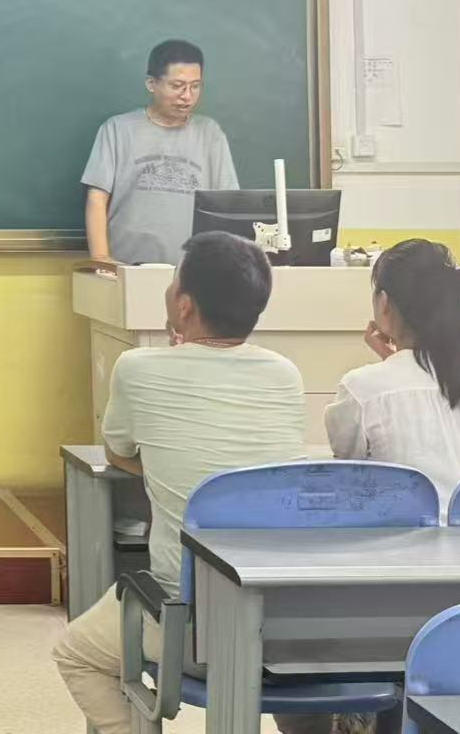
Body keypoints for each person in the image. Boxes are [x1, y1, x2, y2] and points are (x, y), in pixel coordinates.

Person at [54, 231, 305, 734]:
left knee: (76, 653)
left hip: (186, 623)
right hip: (283, 620)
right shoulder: (286, 375)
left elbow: (118, 452)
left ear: (184, 305)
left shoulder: (138, 367)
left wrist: (171, 465)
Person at [327, 239, 460, 509]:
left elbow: (349, 478)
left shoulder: (362, 389)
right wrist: (396, 360)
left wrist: (395, 362)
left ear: (384, 303)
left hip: (407, 536)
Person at [82, 38, 238, 265]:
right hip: (126, 268)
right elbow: (97, 199)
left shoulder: (210, 133)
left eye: (195, 86)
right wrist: (101, 258)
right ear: (151, 83)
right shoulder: (118, 129)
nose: (187, 96)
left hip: (193, 272)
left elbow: (226, 204)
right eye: (177, 86)